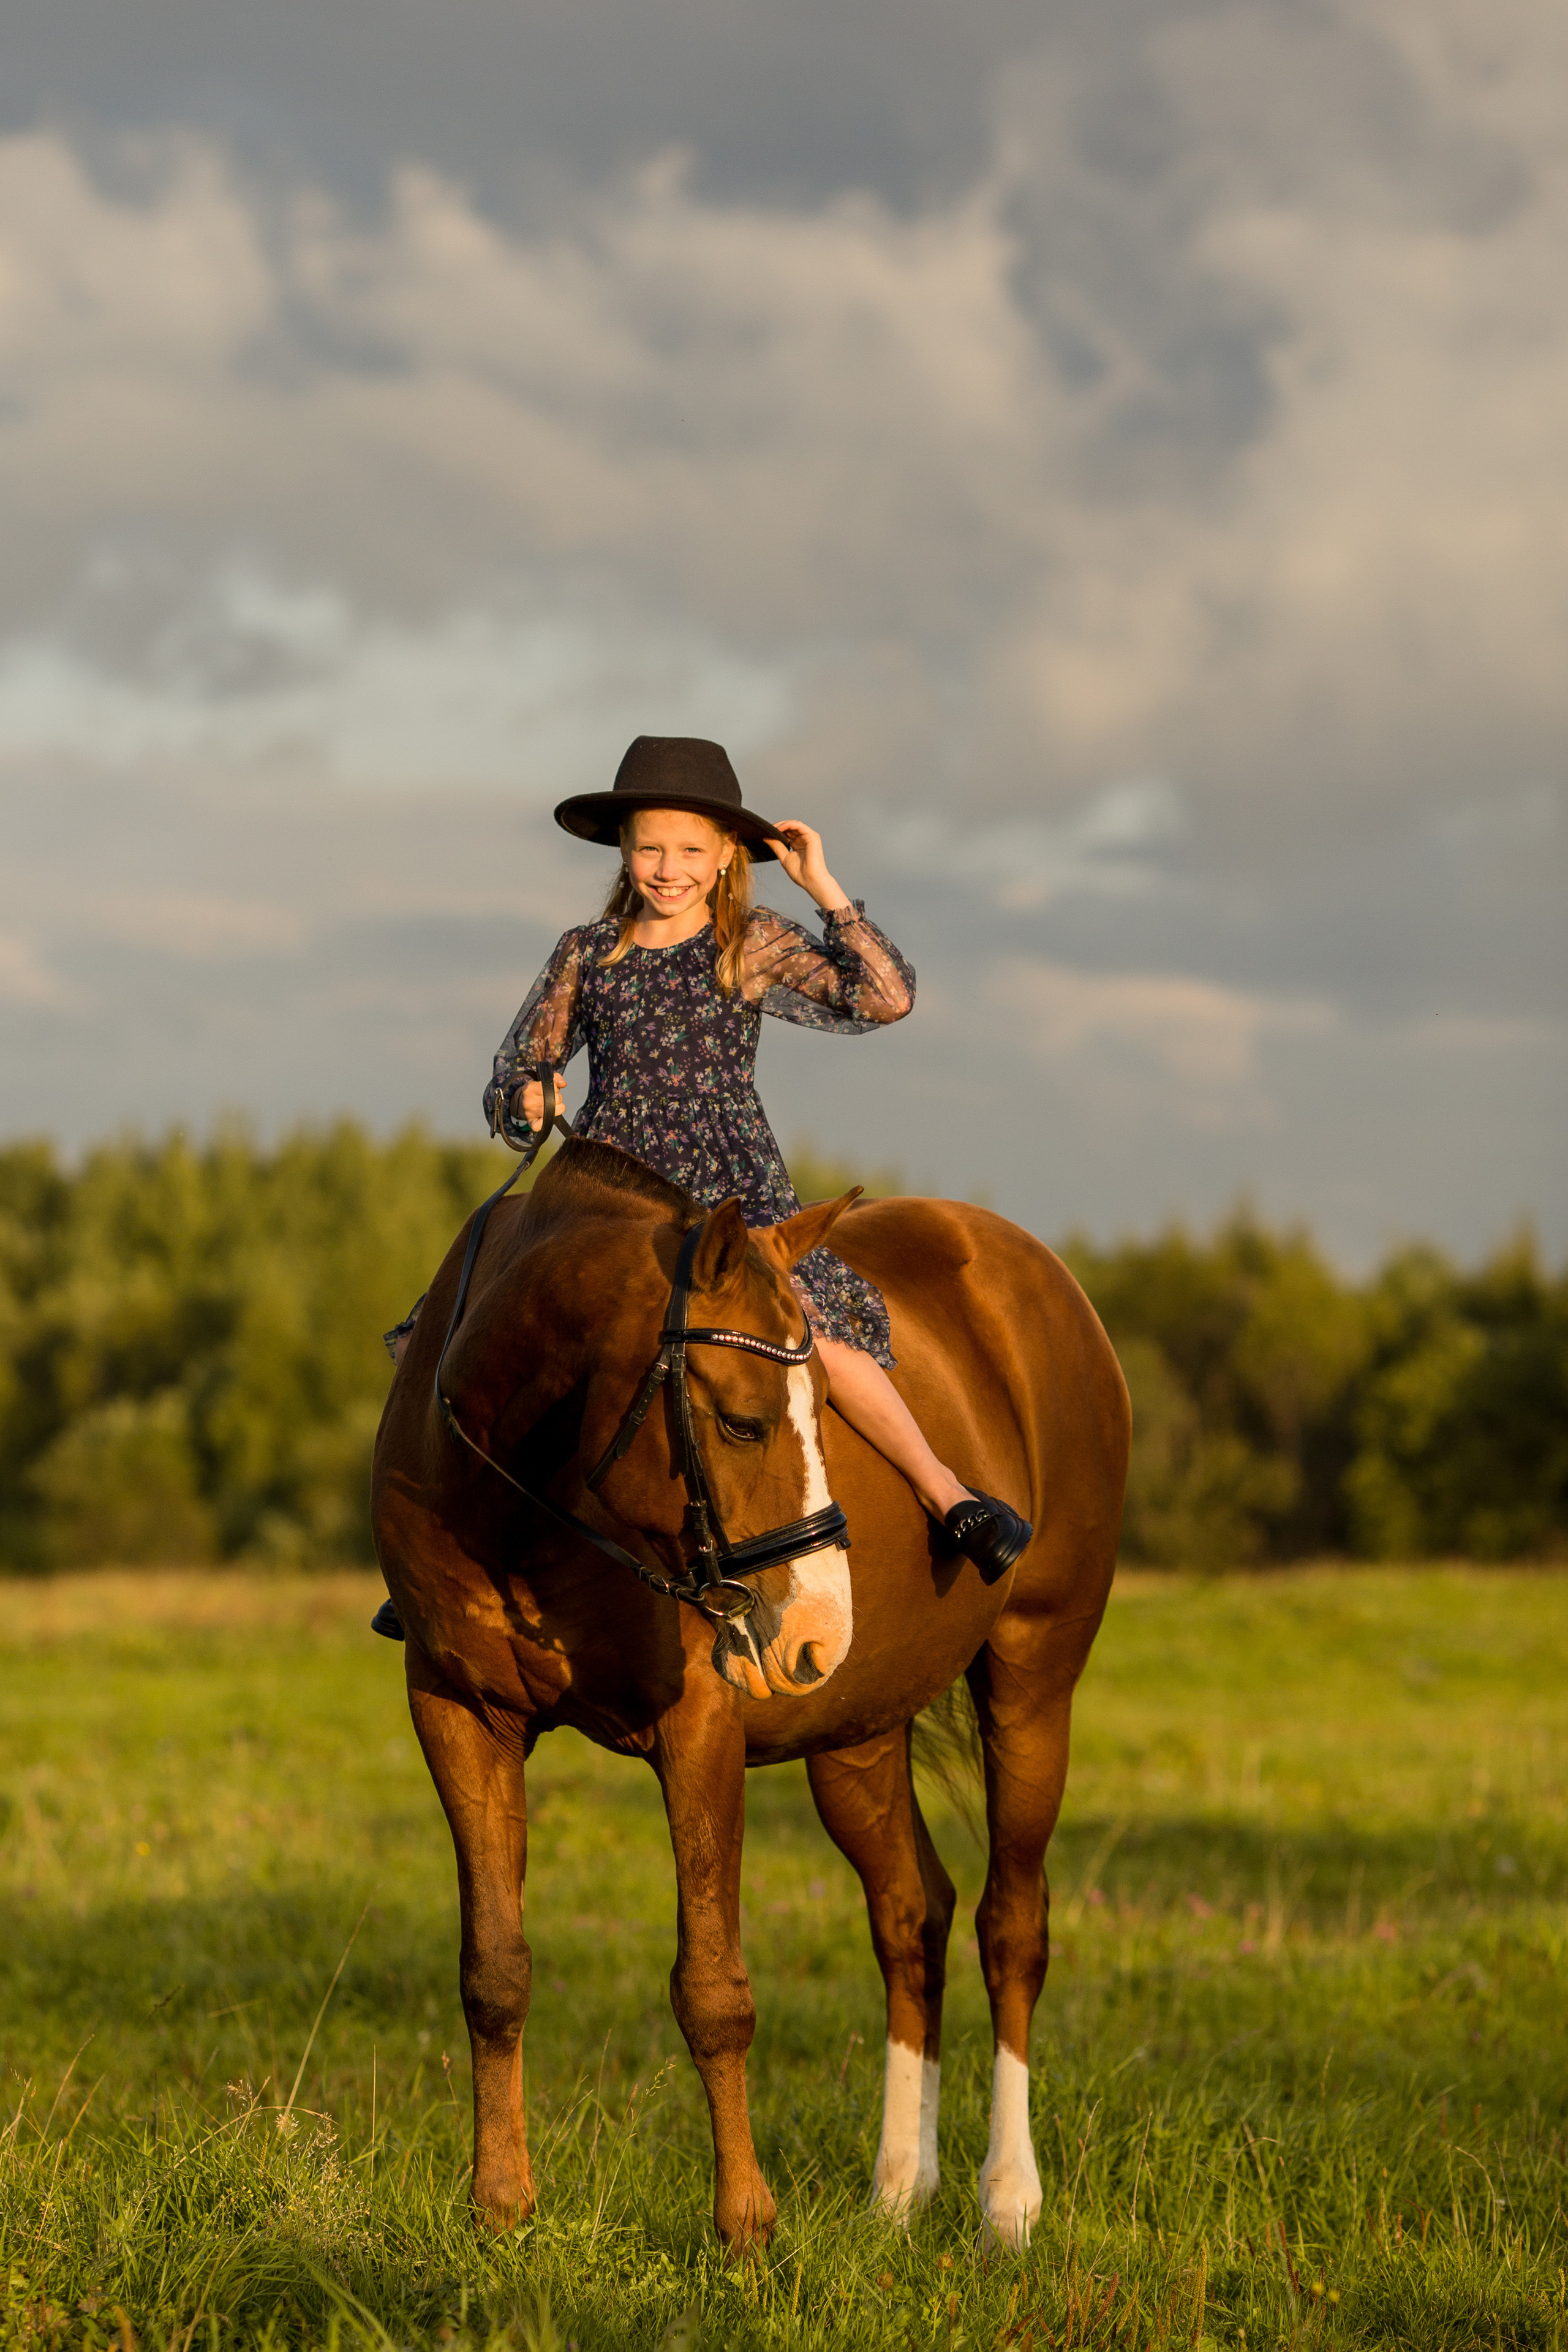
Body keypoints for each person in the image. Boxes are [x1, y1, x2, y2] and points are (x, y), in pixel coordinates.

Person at [473, 734, 1032, 1583]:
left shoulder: (753, 941)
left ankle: (948, 1494)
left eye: (691, 850)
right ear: (624, 851)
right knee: (509, 1340)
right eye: (651, 848)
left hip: (731, 1183)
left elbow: (886, 998)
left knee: (818, 1336)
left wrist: (823, 889)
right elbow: (519, 1071)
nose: (669, 868)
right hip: (613, 1189)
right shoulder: (587, 953)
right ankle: (463, 1545)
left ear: (729, 855)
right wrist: (528, 1100)